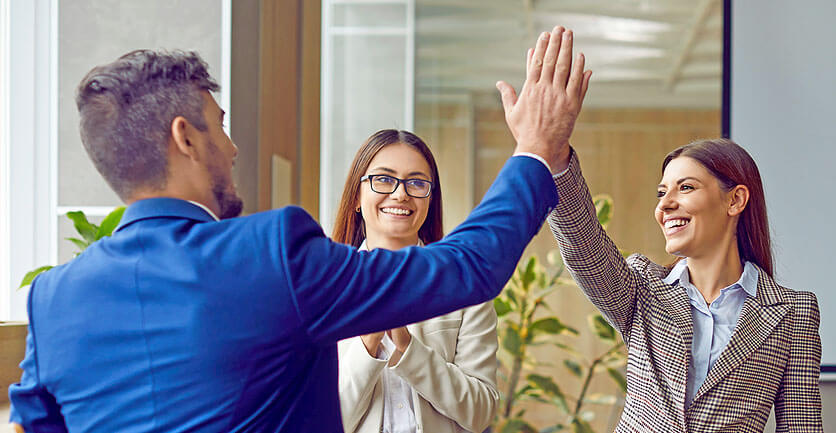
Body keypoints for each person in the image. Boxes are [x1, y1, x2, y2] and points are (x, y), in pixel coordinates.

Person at [8, 26, 591, 432]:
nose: (234, 149)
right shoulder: (270, 255)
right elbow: (470, 265)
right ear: (186, 138)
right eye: (219, 127)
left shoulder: (52, 300)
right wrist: (536, 149)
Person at [542, 137, 823, 431]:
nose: (664, 205)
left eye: (685, 187)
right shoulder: (644, 287)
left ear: (735, 200)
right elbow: (584, 247)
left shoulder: (793, 312)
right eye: (661, 193)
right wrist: (557, 159)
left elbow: (801, 425)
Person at [334, 130, 498, 433]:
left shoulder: (465, 285)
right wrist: (369, 344)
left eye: (417, 183)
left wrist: (409, 350)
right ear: (357, 196)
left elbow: (481, 412)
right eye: (384, 179)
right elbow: (320, 421)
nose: (400, 194)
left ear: (430, 199)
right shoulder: (325, 287)